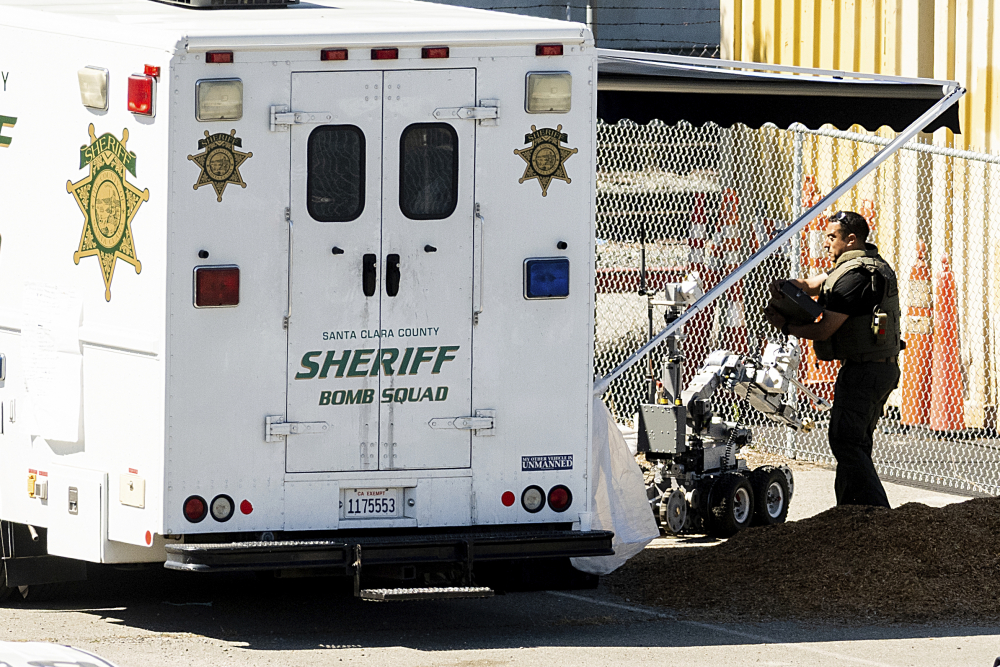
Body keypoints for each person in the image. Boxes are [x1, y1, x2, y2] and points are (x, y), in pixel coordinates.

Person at [764, 210, 901, 508]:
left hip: (866, 371)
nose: (826, 243)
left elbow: (825, 329)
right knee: (854, 442)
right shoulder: (859, 265)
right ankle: (850, 511)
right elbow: (812, 285)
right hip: (873, 368)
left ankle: (877, 514)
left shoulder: (855, 277)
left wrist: (786, 326)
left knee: (846, 441)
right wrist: (788, 287)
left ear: (850, 239)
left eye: (831, 237)